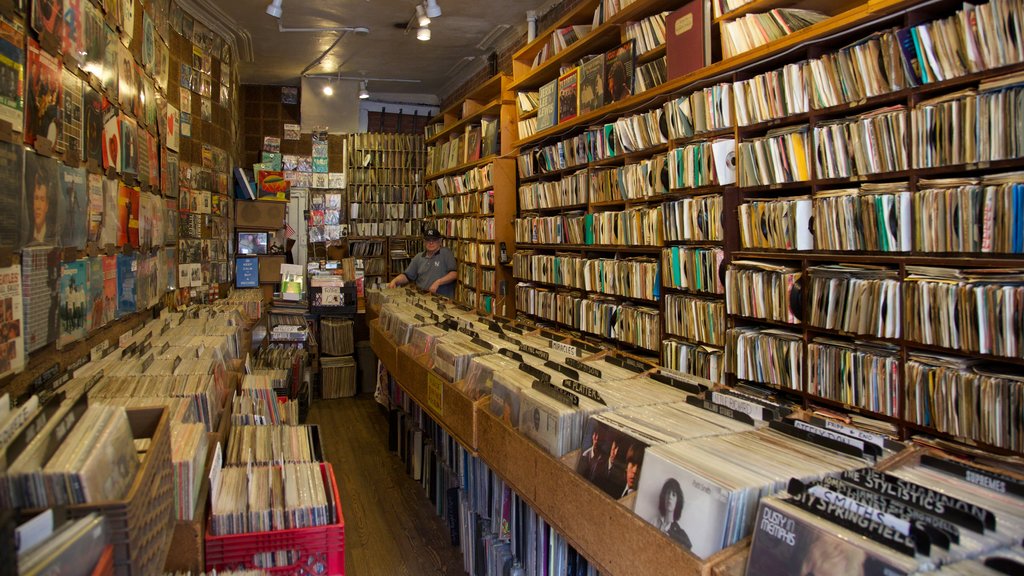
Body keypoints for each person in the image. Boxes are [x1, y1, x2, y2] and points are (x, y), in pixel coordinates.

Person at [387, 227, 457, 298]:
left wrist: (438, 282)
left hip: (441, 300)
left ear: (440, 241)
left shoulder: (446, 253)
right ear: (424, 242)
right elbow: (407, 276)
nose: (431, 243)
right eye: (428, 240)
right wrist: (395, 280)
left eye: (434, 240)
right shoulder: (419, 256)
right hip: (422, 297)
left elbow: (454, 274)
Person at [655, 478, 692, 549]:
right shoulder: (654, 521)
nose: (670, 497)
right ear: (664, 497)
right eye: (668, 493)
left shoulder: (680, 534)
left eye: (674, 495)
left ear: (677, 502)